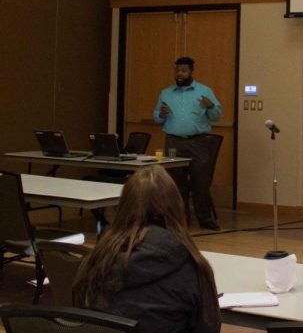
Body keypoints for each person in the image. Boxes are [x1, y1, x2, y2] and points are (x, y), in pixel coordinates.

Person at [73, 165, 221, 333]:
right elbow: (209, 328)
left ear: (124, 205)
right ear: (176, 207)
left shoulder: (96, 259)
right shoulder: (194, 266)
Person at [153, 56, 222, 230]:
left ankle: (205, 219)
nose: (180, 74)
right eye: (177, 71)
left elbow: (216, 116)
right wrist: (162, 114)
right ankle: (180, 220)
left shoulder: (204, 91)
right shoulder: (166, 93)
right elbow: (156, 117)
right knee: (176, 183)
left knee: (201, 182)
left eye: (183, 71)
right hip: (174, 142)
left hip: (198, 143)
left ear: (191, 71)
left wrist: (210, 106)